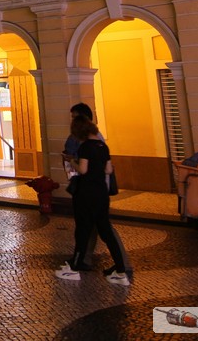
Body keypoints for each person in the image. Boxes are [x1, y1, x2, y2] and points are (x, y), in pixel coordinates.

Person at [56, 115, 130, 284]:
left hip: (86, 193)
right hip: (101, 193)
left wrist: (72, 161)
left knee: (83, 230)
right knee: (106, 232)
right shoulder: (103, 146)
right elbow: (109, 170)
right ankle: (120, 271)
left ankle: (74, 268)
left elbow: (82, 170)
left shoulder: (85, 147)